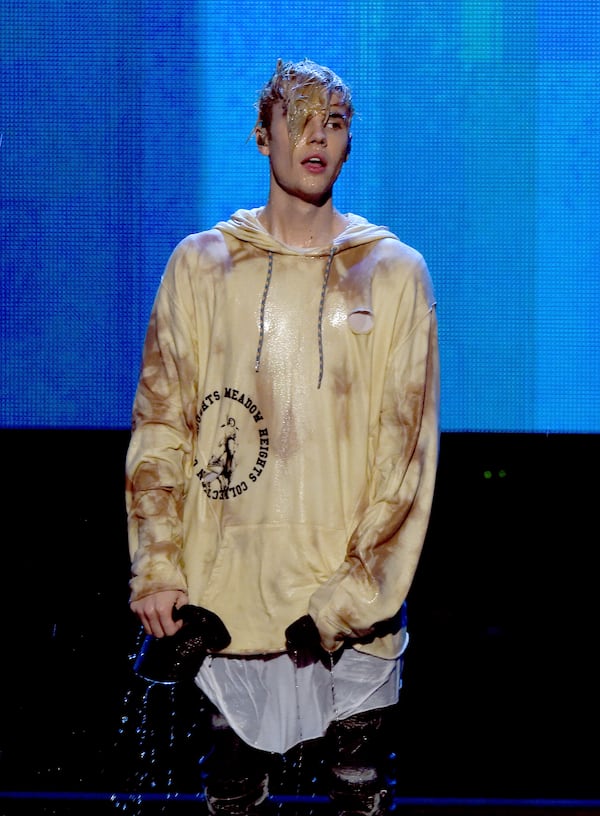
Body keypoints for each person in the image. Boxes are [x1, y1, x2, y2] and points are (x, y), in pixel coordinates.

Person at [126, 57, 440, 815]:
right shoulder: (202, 267)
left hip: (348, 606)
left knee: (356, 797)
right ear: (260, 136)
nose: (316, 137)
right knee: (233, 799)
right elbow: (163, 422)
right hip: (228, 593)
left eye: (332, 122)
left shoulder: (393, 274)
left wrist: (352, 599)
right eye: (297, 119)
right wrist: (156, 564)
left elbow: (406, 460)